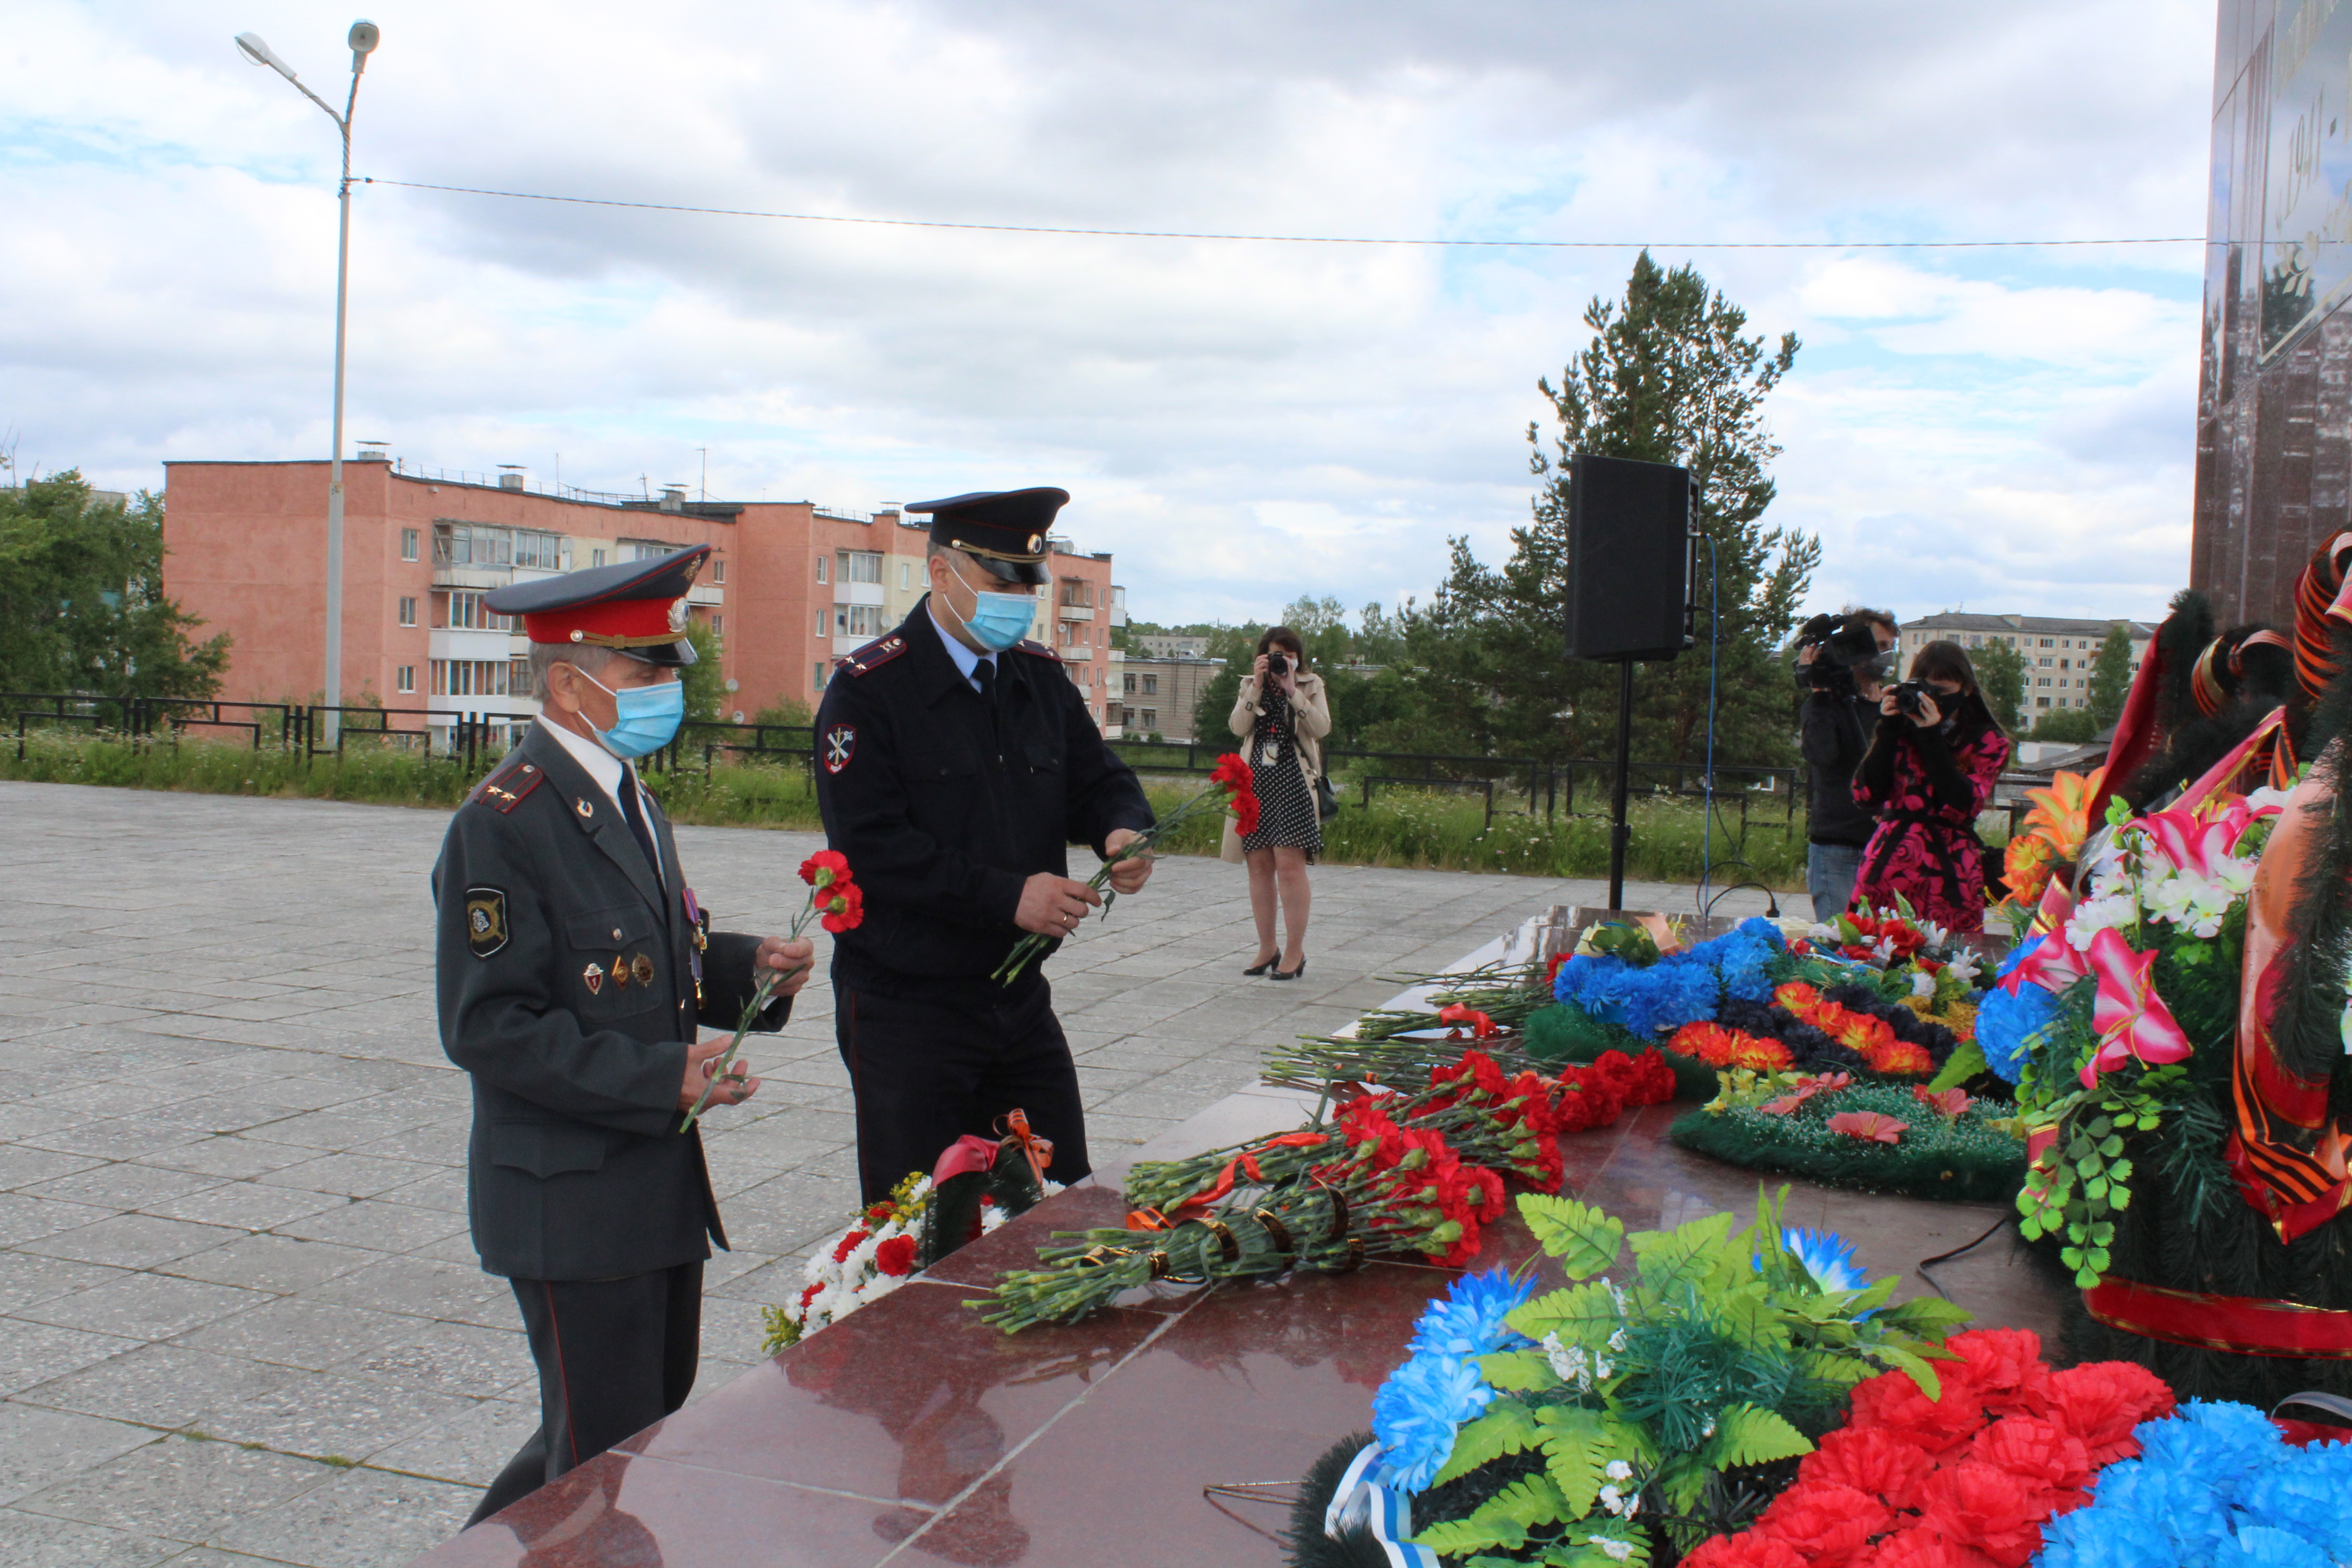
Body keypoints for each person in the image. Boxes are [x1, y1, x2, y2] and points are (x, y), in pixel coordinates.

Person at [435, 543, 816, 1527]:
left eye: (667, 668)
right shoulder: (504, 821)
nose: (665, 687)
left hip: (649, 1181)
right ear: (570, 682)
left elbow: (651, 956)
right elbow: (490, 1026)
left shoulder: (623, 791)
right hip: (575, 1196)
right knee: (599, 1459)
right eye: (645, 669)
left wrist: (745, 973)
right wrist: (661, 1078)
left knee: (622, 1430)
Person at [812, 487, 1156, 1204]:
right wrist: (1009, 896)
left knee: (1059, 1199)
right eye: (1001, 584)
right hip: (908, 1008)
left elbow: (1097, 778)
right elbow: (873, 846)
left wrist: (1122, 828)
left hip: (1015, 999)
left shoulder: (1035, 676)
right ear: (942, 574)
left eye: (1029, 586)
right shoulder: (871, 691)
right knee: (918, 1226)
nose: (1019, 601)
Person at [1849, 639, 2013, 936]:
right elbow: (1865, 794)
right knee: (1871, 956)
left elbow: (1963, 803)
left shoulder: (1987, 741)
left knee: (1951, 967)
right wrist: (1886, 731)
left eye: (1944, 691)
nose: (1934, 699)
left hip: (1950, 872)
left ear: (1966, 690)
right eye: (1929, 689)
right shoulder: (1900, 726)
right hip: (1889, 865)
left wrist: (1932, 737)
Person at [1221, 626, 1330, 980]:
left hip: (1293, 781)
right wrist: (1256, 685)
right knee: (1259, 867)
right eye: (1273, 655)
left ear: (1298, 657)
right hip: (1256, 783)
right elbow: (1238, 727)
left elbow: (1321, 728)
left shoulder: (1310, 684)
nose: (1280, 661)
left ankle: (1295, 952)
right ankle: (1267, 947)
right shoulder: (1250, 684)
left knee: (1289, 867)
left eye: (1286, 654)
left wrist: (1292, 691)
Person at [1794, 609, 1897, 920]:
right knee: (1845, 948)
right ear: (1852, 645)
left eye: (1890, 646)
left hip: (1887, 847)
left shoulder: (1893, 706)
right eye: (1878, 646)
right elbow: (1820, 755)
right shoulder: (1827, 705)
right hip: (1838, 849)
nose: (1886, 656)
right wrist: (1820, 692)